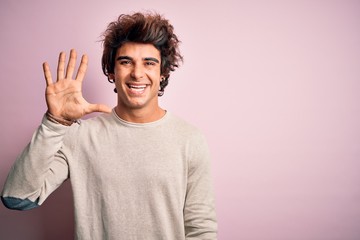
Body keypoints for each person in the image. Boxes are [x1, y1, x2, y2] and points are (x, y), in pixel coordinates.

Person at [1, 12, 217, 239]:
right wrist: (55, 123)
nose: (137, 73)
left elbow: (201, 228)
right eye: (126, 62)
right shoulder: (79, 136)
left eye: (149, 63)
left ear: (162, 73)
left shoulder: (189, 139)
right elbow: (17, 197)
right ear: (112, 72)